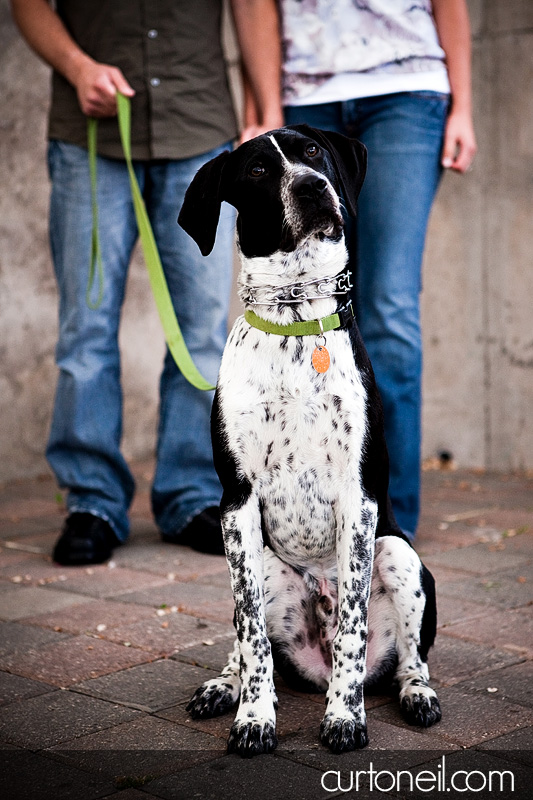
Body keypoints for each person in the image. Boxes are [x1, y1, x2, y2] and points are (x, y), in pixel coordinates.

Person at [11, 0, 283, 565]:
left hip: (199, 129)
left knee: (202, 328)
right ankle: (93, 501)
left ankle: (191, 495)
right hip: (89, 135)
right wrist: (78, 66)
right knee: (85, 325)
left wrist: (270, 108)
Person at [273, 0, 477, 540]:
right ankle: (320, 515)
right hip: (304, 95)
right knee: (319, 309)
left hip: (407, 90)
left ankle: (391, 526)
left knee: (388, 307)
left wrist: (464, 107)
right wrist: (266, 104)